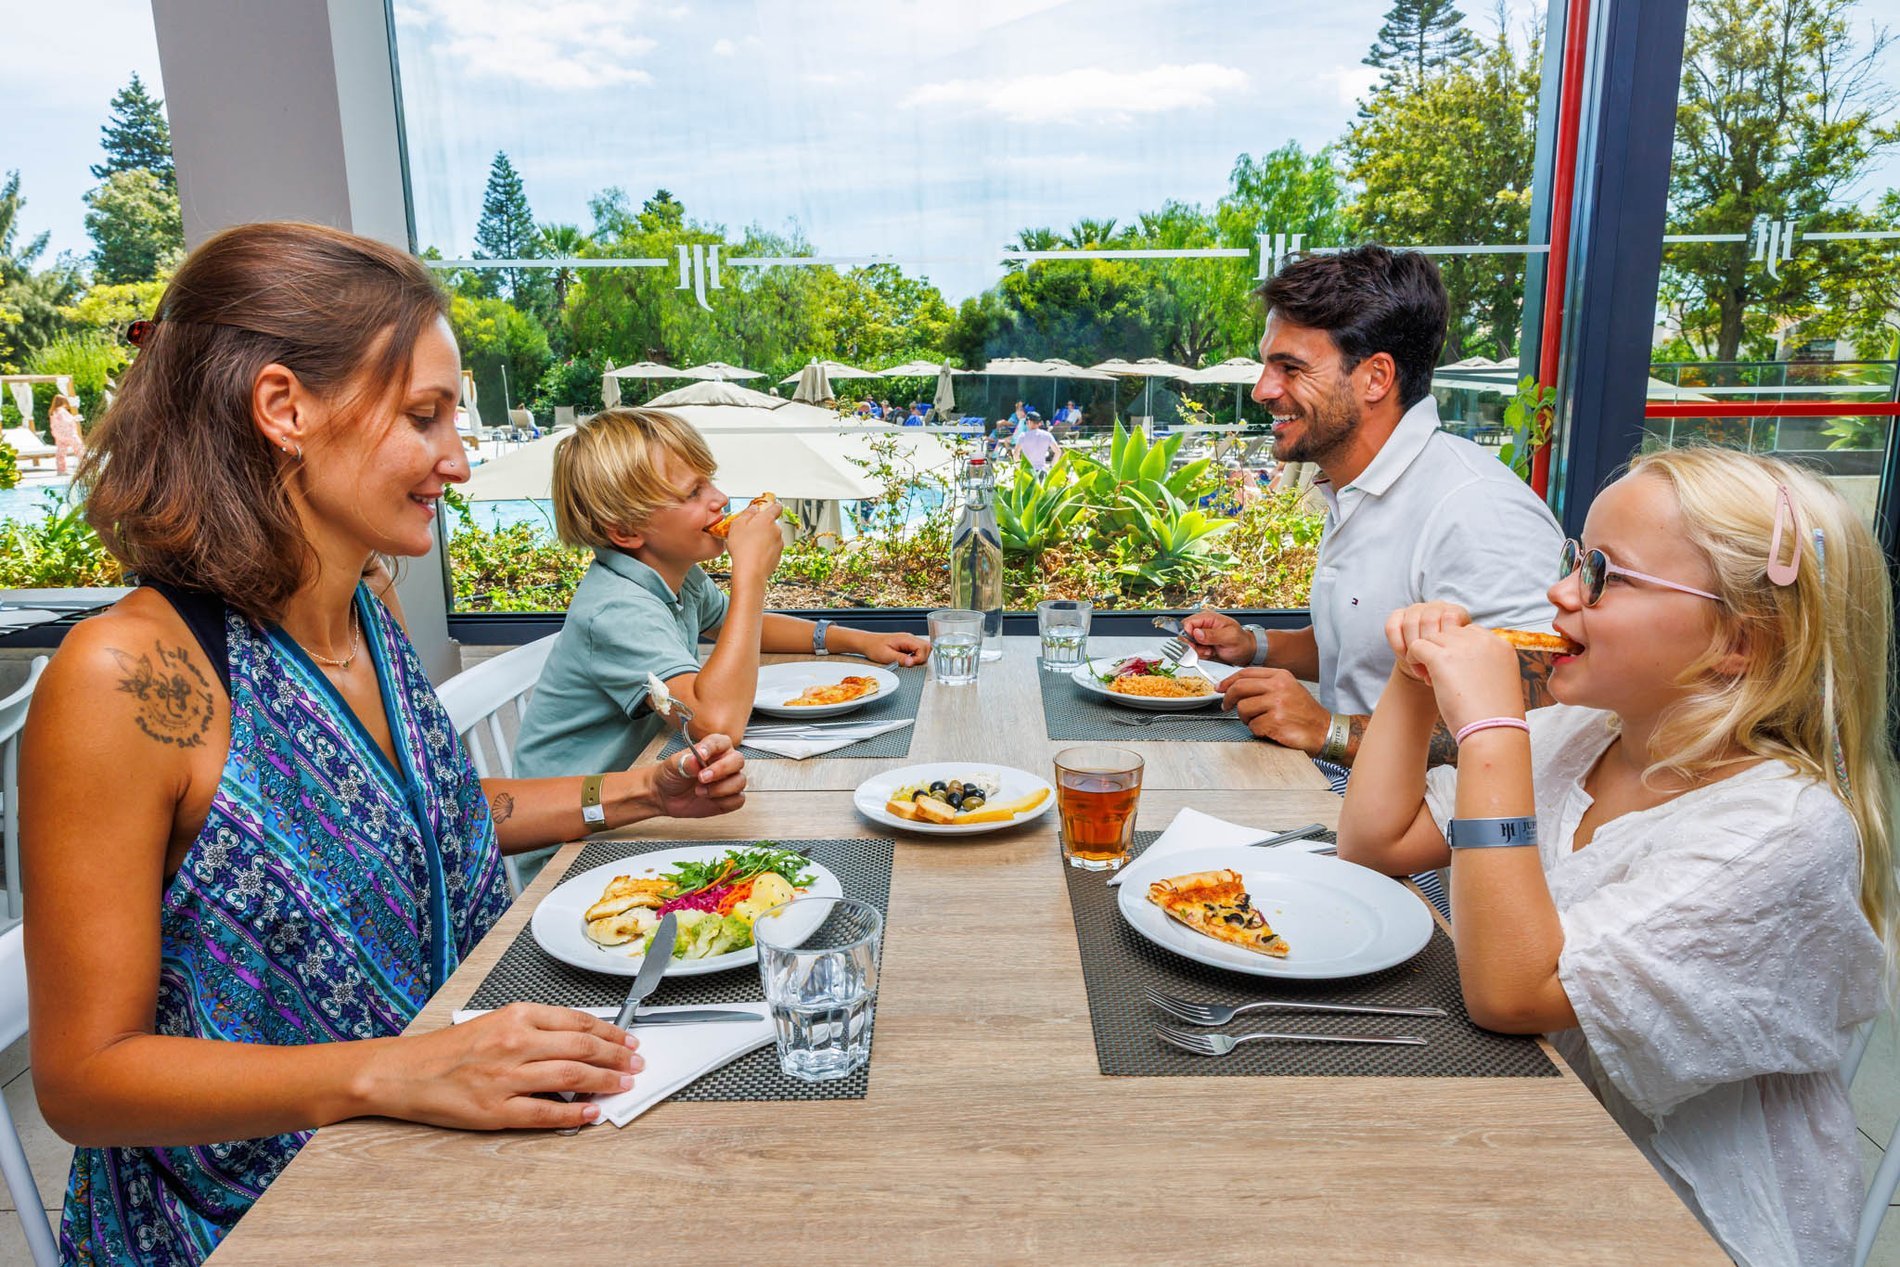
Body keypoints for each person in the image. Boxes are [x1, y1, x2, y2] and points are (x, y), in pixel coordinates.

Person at [19, 223, 753, 1265]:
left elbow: (427, 819)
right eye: (426, 415)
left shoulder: (363, 604)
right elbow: (85, 1080)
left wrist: (636, 795)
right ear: (284, 408)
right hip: (253, 1218)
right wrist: (395, 1070)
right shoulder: (123, 677)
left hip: (432, 1149)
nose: (457, 458)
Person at [1337, 447, 1894, 1266]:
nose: (1561, 593)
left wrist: (1491, 729)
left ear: (1739, 639)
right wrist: (1415, 680)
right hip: (1525, 1135)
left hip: (1686, 1211)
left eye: (1604, 573)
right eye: (1572, 558)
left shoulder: (1781, 832)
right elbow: (1376, 843)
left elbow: (1513, 991)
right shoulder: (1581, 736)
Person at [1182, 246, 1562, 766]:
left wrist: (1331, 731)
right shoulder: (1359, 485)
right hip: (1348, 795)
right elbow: (1361, 650)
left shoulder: (1478, 511)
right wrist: (1255, 646)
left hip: (1433, 834)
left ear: (1376, 379)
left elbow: (1542, 721)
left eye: (1290, 368)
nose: (1262, 390)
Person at [512, 407, 930, 777]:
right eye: (694, 492)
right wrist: (750, 573)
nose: (722, 498)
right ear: (624, 530)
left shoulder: (676, 574)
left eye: (710, 481)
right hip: (574, 840)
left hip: (652, 778)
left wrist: (859, 640)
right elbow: (716, 724)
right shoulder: (617, 610)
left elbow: (744, 627)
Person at [47, 392, 84, 476]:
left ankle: (61, 470)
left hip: (58, 435)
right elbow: (65, 421)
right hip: (68, 434)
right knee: (79, 449)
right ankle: (85, 466)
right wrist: (75, 418)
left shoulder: (53, 412)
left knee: (61, 452)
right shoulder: (61, 411)